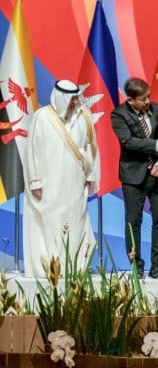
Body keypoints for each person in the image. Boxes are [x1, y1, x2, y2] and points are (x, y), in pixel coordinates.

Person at [23, 80, 99, 278]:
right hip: (49, 185)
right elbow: (32, 152)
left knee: (76, 222)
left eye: (76, 97)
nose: (76, 102)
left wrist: (91, 175)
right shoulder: (42, 117)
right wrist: (35, 181)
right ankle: (50, 269)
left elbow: (91, 148)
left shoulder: (84, 117)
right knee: (50, 225)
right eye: (72, 98)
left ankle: (74, 268)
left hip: (75, 184)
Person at [110, 78, 158, 278]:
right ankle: (137, 267)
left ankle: (157, 266)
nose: (148, 101)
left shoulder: (156, 110)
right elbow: (129, 142)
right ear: (130, 100)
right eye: (143, 99)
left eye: (149, 96)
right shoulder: (119, 115)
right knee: (134, 222)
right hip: (134, 177)